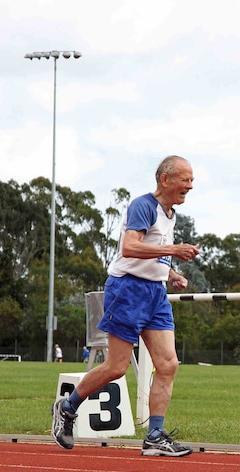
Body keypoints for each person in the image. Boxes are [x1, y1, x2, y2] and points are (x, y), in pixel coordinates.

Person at [51, 155, 200, 456]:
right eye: (185, 179)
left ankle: (155, 436)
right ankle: (67, 408)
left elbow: (153, 255)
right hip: (128, 290)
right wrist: (174, 249)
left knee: (168, 364)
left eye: (192, 180)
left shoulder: (170, 214)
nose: (190, 186)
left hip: (155, 294)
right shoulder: (143, 206)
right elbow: (129, 247)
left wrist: (170, 273)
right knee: (117, 367)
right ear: (165, 179)